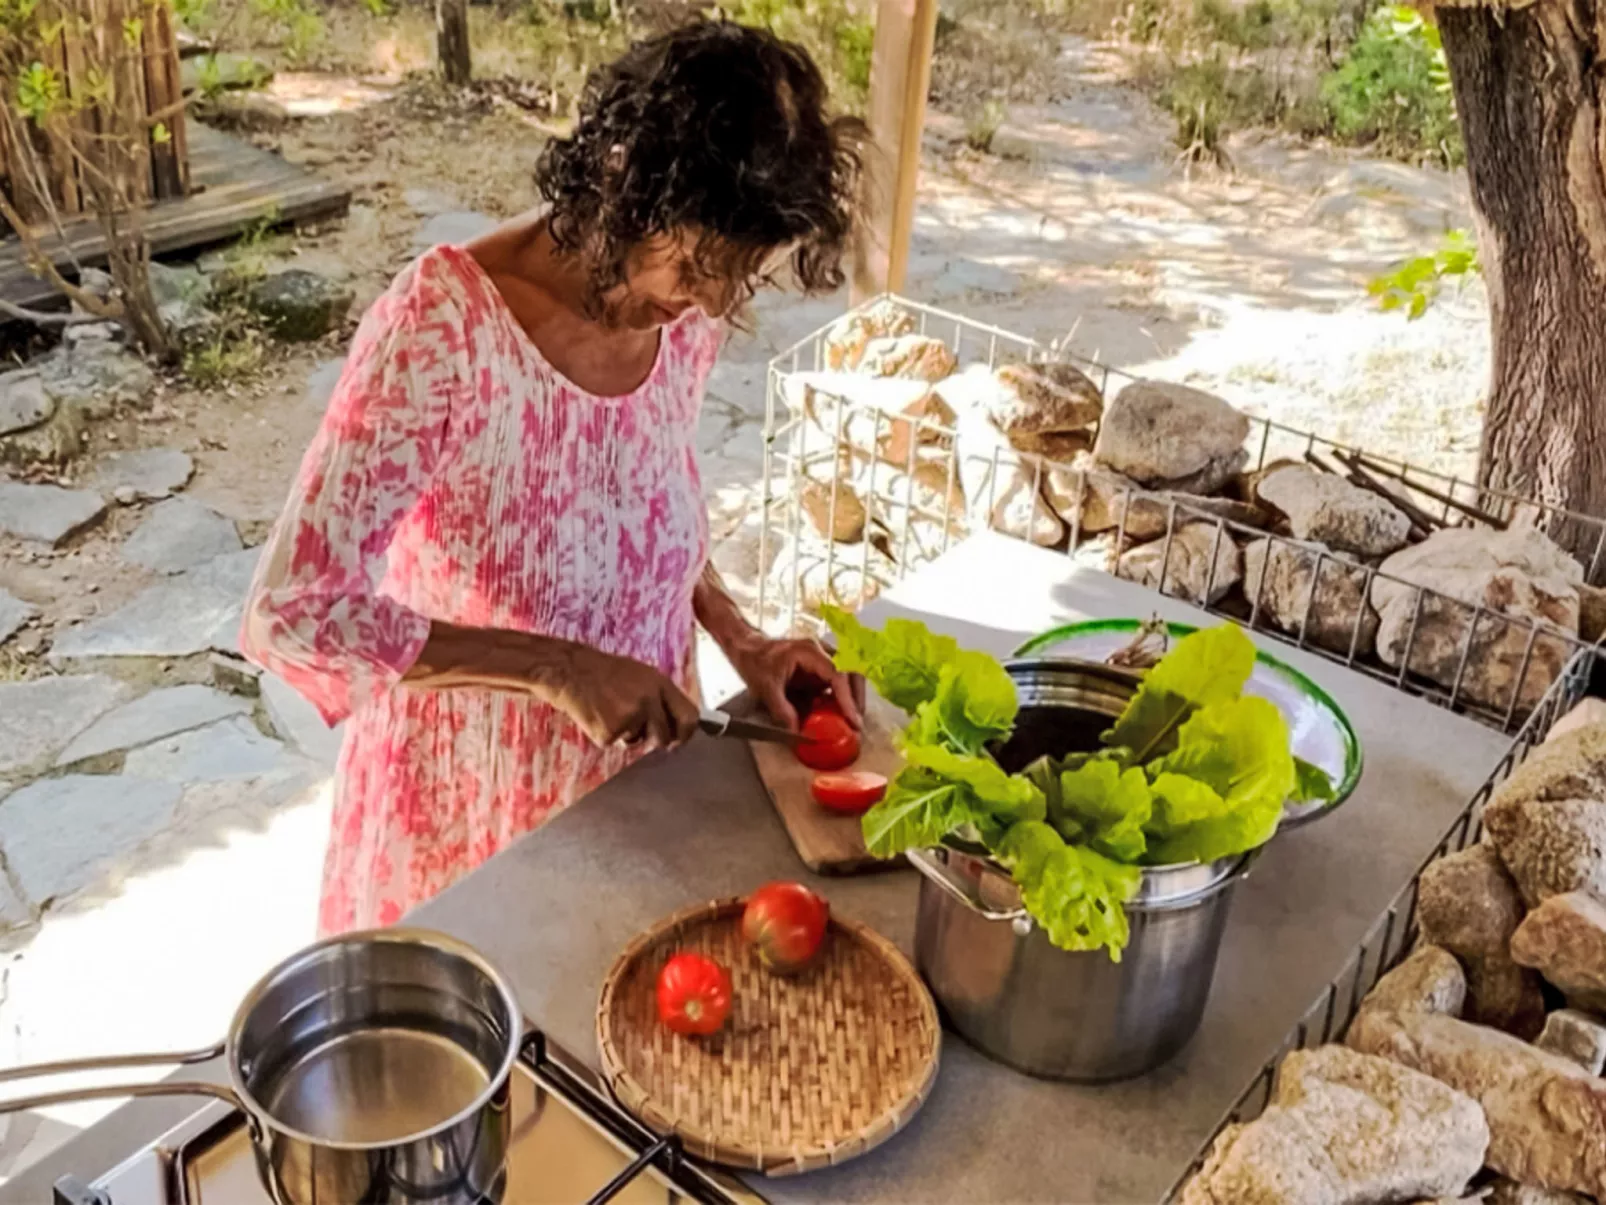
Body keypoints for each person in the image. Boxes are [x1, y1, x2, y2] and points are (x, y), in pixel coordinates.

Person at [241, 19, 867, 935]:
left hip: (635, 795)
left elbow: (645, 512)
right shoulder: (446, 328)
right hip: (473, 818)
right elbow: (292, 608)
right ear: (621, 181)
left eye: (738, 279)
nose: (709, 304)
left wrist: (743, 638)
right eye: (696, 264)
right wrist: (551, 666)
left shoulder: (677, 322)